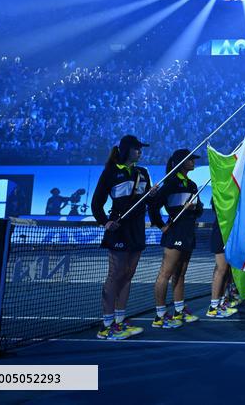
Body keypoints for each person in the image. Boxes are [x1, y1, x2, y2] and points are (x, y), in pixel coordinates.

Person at [90, 135, 156, 340]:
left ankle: (120, 320)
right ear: (127, 150)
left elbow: (148, 201)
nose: (140, 152)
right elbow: (96, 203)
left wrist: (153, 195)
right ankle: (107, 324)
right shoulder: (110, 172)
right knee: (115, 274)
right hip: (119, 229)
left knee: (128, 274)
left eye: (140, 149)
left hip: (137, 229)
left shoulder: (142, 172)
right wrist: (105, 222)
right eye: (137, 149)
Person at [150, 149, 204, 329]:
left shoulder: (192, 185)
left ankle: (179, 310)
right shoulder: (171, 183)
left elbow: (199, 210)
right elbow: (154, 206)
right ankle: (160, 315)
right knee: (166, 273)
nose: (194, 162)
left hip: (188, 232)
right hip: (175, 232)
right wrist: (161, 225)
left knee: (180, 273)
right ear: (182, 162)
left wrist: (191, 209)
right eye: (191, 159)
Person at [207, 193, 238, 319]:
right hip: (221, 232)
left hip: (231, 232)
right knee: (221, 269)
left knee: (226, 270)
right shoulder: (218, 194)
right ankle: (213, 307)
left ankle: (221, 302)